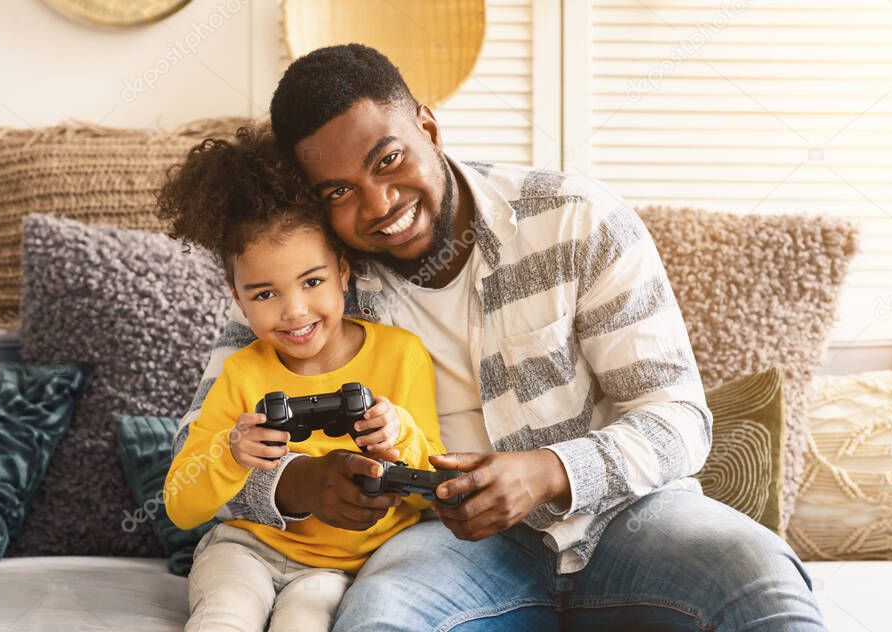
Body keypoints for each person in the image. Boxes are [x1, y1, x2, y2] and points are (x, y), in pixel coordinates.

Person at [174, 44, 826, 630]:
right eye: (340, 190)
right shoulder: (313, 278)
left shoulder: (576, 219)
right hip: (449, 546)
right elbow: (199, 446)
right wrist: (300, 484)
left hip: (627, 519)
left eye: (390, 160)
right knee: (377, 620)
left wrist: (548, 471)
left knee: (762, 578)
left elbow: (680, 419)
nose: (377, 206)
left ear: (427, 126)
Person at [159, 125, 446, 632]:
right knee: (224, 615)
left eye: (312, 282)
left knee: (304, 622)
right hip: (245, 549)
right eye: (264, 294)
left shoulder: (401, 355)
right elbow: (180, 506)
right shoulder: (242, 371)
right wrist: (229, 450)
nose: (294, 312)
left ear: (342, 272)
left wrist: (398, 433)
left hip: (338, 569)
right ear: (237, 296)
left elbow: (429, 490)